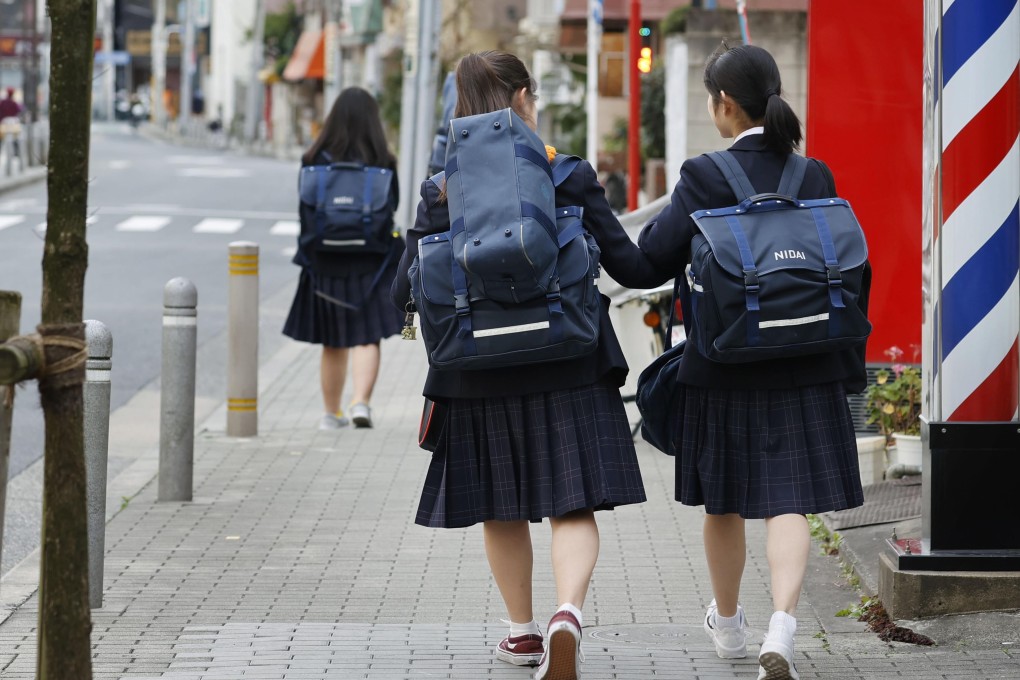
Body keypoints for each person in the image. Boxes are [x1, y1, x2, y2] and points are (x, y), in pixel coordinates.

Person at [391, 51, 660, 680]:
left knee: (501, 505)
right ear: (520, 101)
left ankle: (522, 633)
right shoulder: (566, 173)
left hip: (475, 369)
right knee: (574, 504)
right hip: (568, 358)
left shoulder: (441, 188)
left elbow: (404, 290)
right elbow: (633, 268)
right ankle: (568, 613)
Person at [635, 43, 869, 680]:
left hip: (724, 364)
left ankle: (731, 626)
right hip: (807, 361)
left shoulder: (703, 175)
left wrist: (593, 225)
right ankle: (784, 626)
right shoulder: (812, 174)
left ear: (725, 105)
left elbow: (648, 262)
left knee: (725, 502)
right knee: (789, 501)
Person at [284, 87, 405, 430]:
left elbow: (305, 214)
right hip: (371, 259)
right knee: (367, 335)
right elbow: (390, 208)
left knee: (333, 341)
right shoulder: (383, 162)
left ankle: (330, 413)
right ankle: (360, 403)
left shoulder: (313, 160)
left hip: (324, 260)